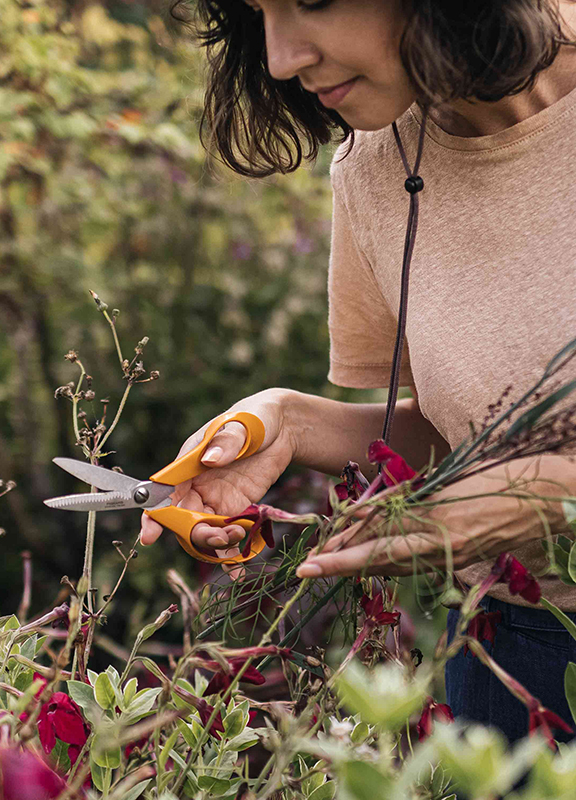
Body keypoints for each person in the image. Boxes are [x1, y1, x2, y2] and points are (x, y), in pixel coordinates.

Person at [140, 0, 576, 743]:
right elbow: (472, 438)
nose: (280, 58)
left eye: (312, 1)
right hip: (515, 658)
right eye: (258, 12)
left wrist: (547, 494)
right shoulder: (377, 166)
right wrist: (294, 422)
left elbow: (524, 475)